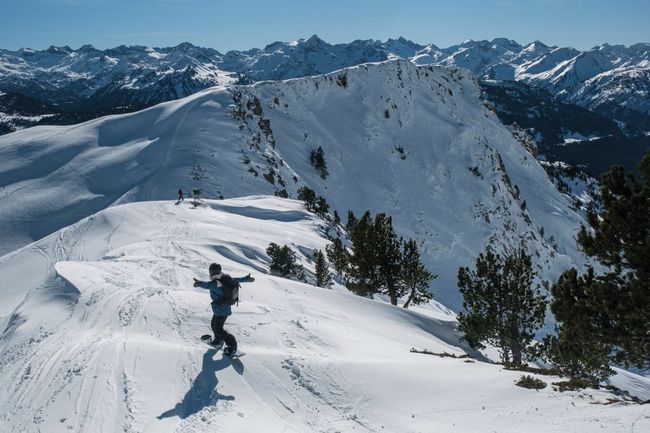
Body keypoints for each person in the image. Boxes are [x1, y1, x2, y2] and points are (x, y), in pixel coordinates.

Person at [193, 263, 254, 356]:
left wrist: (199, 283)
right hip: (221, 309)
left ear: (211, 272)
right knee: (214, 324)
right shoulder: (225, 278)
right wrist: (246, 279)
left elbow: (207, 285)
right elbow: (237, 280)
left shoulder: (215, 283)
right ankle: (218, 341)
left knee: (219, 329)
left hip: (221, 310)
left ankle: (232, 346)